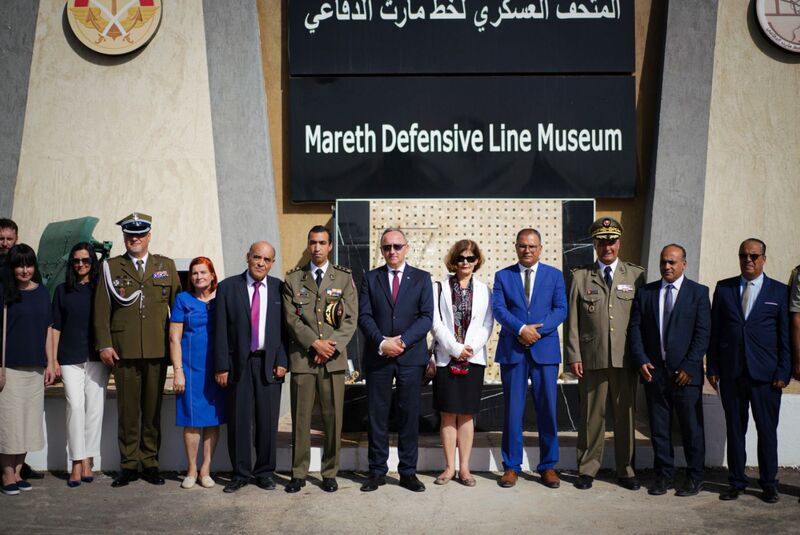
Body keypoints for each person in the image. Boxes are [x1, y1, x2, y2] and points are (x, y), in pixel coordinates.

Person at [93, 213, 181, 487]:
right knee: (128, 412)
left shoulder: (165, 266)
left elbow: (178, 308)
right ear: (124, 237)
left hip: (157, 349)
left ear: (149, 236)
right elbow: (101, 309)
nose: (135, 239)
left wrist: (178, 347)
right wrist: (105, 344)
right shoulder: (111, 267)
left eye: (140, 234)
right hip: (124, 351)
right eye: (130, 235)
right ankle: (129, 464)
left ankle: (151, 463)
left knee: (153, 411)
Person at [706, 238, 790, 503]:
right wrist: (713, 366)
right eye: (744, 255)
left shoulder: (780, 291)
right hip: (732, 373)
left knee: (767, 431)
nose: (748, 260)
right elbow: (715, 331)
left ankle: (769, 483)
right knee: (735, 430)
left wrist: (783, 371)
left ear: (764, 259)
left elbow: (785, 337)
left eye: (754, 256)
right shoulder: (724, 288)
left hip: (766, 376)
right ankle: (737, 481)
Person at [565, 217, 645, 491]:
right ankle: (587, 469)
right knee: (591, 418)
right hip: (592, 359)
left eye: (611, 241)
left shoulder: (635, 276)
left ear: (619, 243)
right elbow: (572, 321)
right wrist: (574, 356)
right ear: (594, 244)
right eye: (601, 242)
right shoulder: (580, 276)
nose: (607, 247)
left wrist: (641, 357)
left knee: (625, 417)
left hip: (625, 359)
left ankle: (626, 470)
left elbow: (641, 320)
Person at [628, 244, 710, 497]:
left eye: (672, 262)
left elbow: (703, 333)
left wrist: (690, 365)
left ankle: (695, 477)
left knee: (691, 429)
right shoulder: (646, 293)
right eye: (663, 262)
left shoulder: (698, 293)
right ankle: (664, 475)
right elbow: (635, 329)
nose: (667, 266)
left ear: (684, 264)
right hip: (655, 373)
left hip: (686, 375)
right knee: (659, 430)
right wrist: (641, 359)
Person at [282, 226, 358, 494]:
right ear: (308, 244)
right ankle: (298, 472)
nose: (317, 247)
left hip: (333, 360)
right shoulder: (294, 279)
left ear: (330, 246)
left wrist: (329, 347)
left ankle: (329, 472)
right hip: (304, 358)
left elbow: (350, 319)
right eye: (313, 242)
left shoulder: (343, 278)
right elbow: (291, 319)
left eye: (322, 242)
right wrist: (315, 343)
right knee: (301, 418)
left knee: (333, 418)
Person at [358, 228, 433, 492]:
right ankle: (377, 471)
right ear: (381, 250)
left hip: (410, 357)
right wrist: (382, 342)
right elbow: (364, 315)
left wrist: (401, 342)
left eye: (397, 246)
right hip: (379, 356)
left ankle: (408, 472)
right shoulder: (370, 278)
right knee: (377, 415)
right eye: (387, 247)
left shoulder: (422, 278)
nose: (392, 251)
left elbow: (426, 317)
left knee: (409, 415)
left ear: (406, 248)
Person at [492, 229, 567, 489]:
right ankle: (511, 466)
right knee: (513, 411)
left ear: (540, 248)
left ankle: (548, 466)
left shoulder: (554, 275)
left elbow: (561, 309)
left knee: (547, 410)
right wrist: (521, 329)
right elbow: (499, 309)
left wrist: (536, 332)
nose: (527, 250)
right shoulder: (503, 276)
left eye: (532, 246)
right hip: (513, 350)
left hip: (544, 351)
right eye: (523, 246)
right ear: (516, 247)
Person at [214, 241, 287, 494]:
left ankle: (264, 472)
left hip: (269, 364)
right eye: (257, 257)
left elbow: (286, 330)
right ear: (248, 257)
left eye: (267, 260)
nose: (261, 263)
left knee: (267, 421)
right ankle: (240, 473)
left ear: (272, 263)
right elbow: (220, 329)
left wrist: (283, 360)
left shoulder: (280, 288)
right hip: (238, 364)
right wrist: (221, 366)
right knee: (239, 421)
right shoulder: (227, 288)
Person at [430, 239, 494, 487]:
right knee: (447, 414)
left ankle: (465, 469)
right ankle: (449, 468)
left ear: (477, 261)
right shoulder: (439, 287)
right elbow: (435, 322)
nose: (465, 262)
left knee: (466, 415)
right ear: (453, 261)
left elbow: (488, 323)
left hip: (473, 359)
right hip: (447, 358)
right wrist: (455, 348)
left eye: (470, 258)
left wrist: (470, 349)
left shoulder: (485, 290)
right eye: (460, 258)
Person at [0, 244, 57, 495]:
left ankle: (18, 471)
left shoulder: (42, 292)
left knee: (27, 423)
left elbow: (48, 328)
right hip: (9, 368)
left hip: (35, 368)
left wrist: (50, 362)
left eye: (29, 265)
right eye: (19, 265)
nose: (25, 270)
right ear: (11, 268)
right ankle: (7, 474)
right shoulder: (4, 292)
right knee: (9, 424)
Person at [52, 242, 110, 488]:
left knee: (95, 410)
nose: (81, 264)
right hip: (69, 357)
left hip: (97, 357)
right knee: (75, 407)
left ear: (92, 262)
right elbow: (55, 327)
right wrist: (53, 360)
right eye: (76, 261)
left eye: (85, 260)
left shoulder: (101, 289)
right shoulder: (62, 290)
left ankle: (88, 459)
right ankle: (76, 460)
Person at [169, 257, 225, 490]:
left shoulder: (222, 298)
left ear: (212, 275)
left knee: (212, 420)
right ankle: (191, 469)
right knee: (191, 421)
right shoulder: (183, 299)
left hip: (217, 368)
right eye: (194, 273)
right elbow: (174, 338)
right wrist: (178, 371)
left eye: (203, 272)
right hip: (191, 369)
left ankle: (206, 469)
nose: (198, 276)